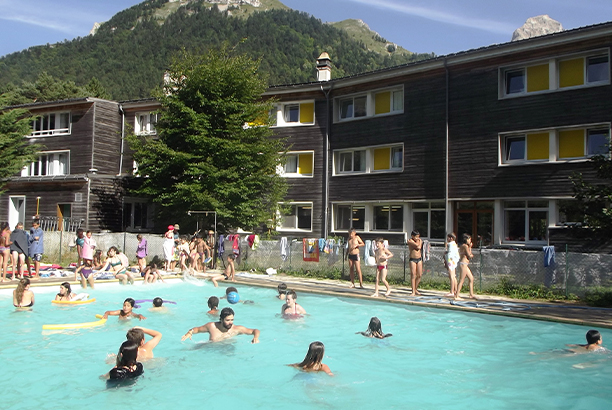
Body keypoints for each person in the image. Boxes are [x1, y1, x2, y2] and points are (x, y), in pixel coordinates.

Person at [181, 307, 260, 343]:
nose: (230, 322)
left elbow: (255, 330)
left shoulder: (237, 329)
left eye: (232, 320)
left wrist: (255, 338)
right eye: (227, 320)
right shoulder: (212, 326)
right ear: (221, 319)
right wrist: (190, 332)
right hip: (211, 350)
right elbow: (197, 329)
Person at [455, 233, 476, 300]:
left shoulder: (463, 246)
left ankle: (471, 294)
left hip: (465, 264)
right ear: (466, 240)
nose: (470, 241)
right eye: (469, 239)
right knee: (461, 280)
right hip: (463, 264)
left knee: (471, 278)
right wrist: (470, 247)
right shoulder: (465, 246)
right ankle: (456, 295)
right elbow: (469, 255)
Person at [407, 230, 423, 296]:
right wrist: (418, 242)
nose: (418, 238)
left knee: (419, 275)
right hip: (412, 259)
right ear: (412, 236)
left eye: (418, 237)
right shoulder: (410, 241)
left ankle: (415, 288)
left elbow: (419, 247)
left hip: (419, 259)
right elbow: (418, 246)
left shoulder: (420, 240)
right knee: (413, 275)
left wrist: (419, 241)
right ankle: (413, 291)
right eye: (416, 237)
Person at [444, 233, 459, 297]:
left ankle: (452, 291)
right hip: (454, 261)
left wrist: (447, 262)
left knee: (451, 276)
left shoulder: (450, 244)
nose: (447, 239)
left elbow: (449, 254)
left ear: (451, 238)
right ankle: (455, 290)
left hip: (451, 261)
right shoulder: (454, 244)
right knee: (454, 276)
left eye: (448, 238)